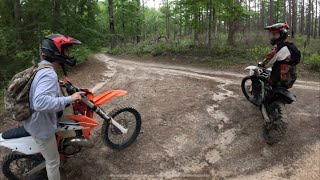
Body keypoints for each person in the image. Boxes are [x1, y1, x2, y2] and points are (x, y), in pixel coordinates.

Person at [24, 34, 85, 180]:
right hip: (41, 126)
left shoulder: (43, 67)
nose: (68, 54)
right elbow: (40, 102)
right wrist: (70, 98)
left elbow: (40, 88)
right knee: (53, 162)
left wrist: (60, 85)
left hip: (38, 119)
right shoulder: (48, 73)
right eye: (66, 51)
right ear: (56, 51)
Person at [251, 23, 300, 105]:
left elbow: (267, 64)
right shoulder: (292, 47)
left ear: (281, 34)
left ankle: (257, 98)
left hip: (279, 79)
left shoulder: (279, 48)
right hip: (291, 78)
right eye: (272, 34)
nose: (273, 36)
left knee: (254, 72)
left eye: (275, 34)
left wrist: (261, 65)